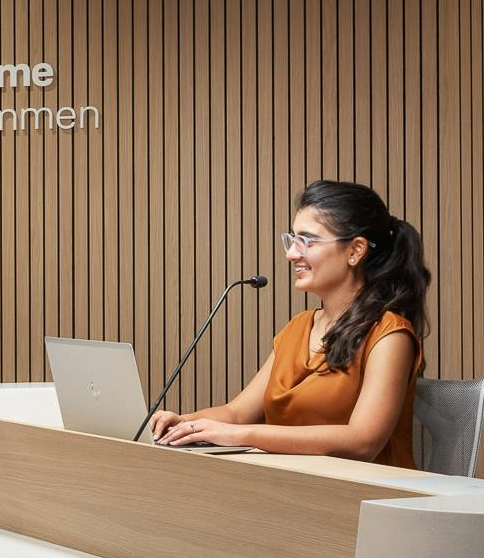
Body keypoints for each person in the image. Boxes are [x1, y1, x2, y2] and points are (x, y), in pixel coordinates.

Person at [151, 180, 431, 466]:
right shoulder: (298, 328)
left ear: (355, 250)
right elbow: (236, 413)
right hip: (291, 485)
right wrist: (183, 423)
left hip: (367, 499)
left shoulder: (390, 335)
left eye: (307, 241)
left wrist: (242, 435)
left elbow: (362, 442)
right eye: (292, 239)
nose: (292, 254)